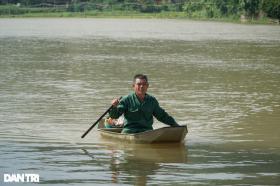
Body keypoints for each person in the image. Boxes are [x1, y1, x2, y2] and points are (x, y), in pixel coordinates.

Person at [109, 74, 179, 134]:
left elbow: (162, 116)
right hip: (130, 131)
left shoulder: (152, 100)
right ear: (133, 86)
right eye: (139, 84)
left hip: (147, 132)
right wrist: (114, 106)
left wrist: (175, 124)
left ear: (147, 86)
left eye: (144, 84)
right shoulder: (126, 99)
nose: (142, 86)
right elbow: (114, 116)